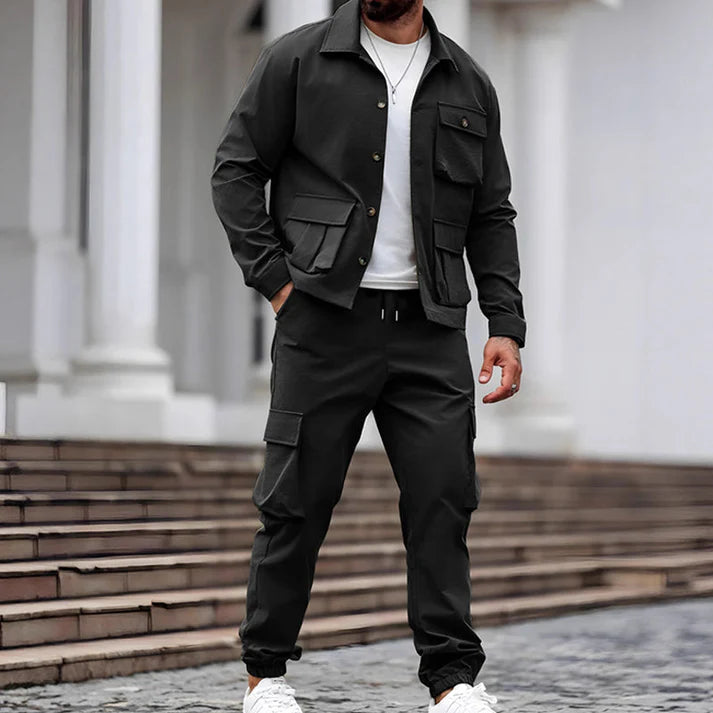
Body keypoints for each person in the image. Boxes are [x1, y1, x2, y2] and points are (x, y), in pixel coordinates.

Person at [211, 0, 525, 710]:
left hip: (430, 328)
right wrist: (277, 282)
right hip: (323, 322)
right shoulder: (298, 58)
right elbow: (234, 170)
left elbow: (491, 212)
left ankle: (452, 682)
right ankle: (265, 677)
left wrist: (504, 321)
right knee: (295, 504)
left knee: (443, 501)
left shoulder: (466, 82)